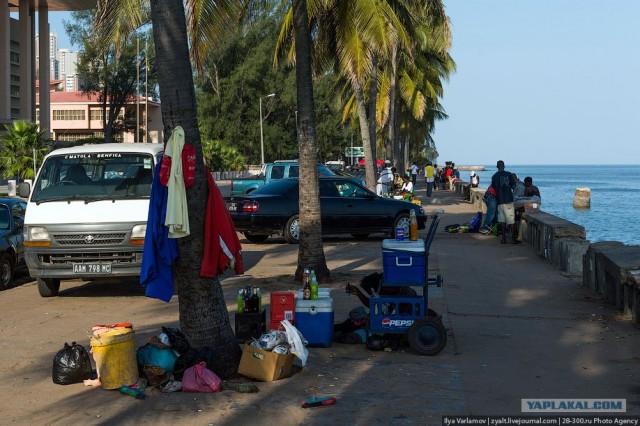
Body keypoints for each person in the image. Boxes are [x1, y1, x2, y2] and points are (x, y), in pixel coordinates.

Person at [491, 160, 519, 244]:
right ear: (504, 166)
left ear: (497, 166)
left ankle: (503, 238)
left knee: (502, 220)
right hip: (508, 200)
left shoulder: (494, 176)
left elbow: (493, 188)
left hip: (500, 200)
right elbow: (513, 186)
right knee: (511, 220)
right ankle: (513, 239)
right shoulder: (509, 174)